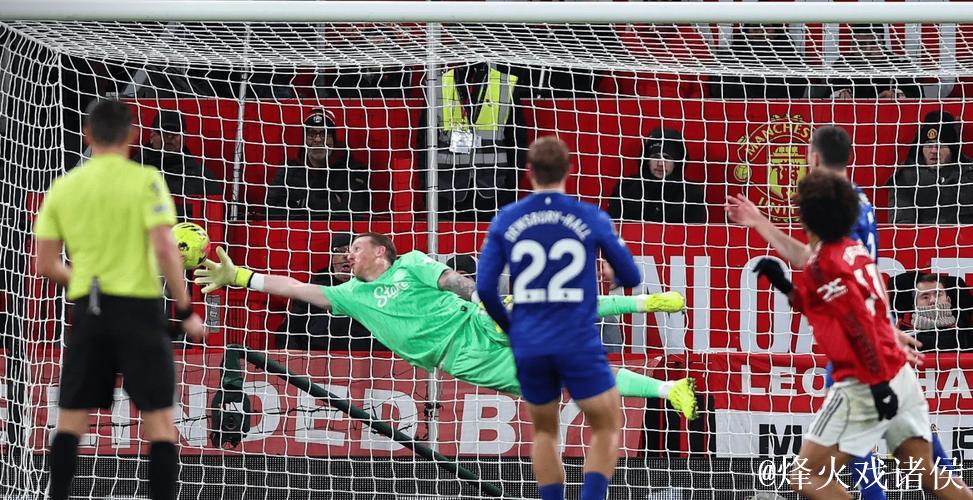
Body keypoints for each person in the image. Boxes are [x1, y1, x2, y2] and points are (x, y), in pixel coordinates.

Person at [194, 233, 698, 421]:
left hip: (478, 321)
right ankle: (668, 388)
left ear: (381, 252)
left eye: (356, 248)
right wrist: (240, 277)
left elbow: (454, 280)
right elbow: (298, 288)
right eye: (347, 251)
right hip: (462, 359)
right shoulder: (349, 296)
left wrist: (484, 301)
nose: (348, 255)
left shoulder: (409, 263)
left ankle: (645, 301)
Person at [726, 125, 948, 500]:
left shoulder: (830, 205)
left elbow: (824, 268)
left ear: (812, 158)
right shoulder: (855, 199)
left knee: (850, 447)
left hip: (860, 342)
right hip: (875, 331)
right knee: (920, 452)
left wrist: (761, 224)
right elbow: (842, 269)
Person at [33, 100, 206, 500]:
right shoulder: (146, 180)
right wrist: (185, 310)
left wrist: (87, 281)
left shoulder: (65, 186)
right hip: (140, 311)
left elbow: (45, 264)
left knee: (71, 421)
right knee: (159, 423)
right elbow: (165, 247)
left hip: (91, 310)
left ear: (87, 135)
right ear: (132, 135)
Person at [476, 137, 641, 500]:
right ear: (569, 170)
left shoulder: (507, 218)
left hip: (531, 343)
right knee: (607, 425)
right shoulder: (589, 216)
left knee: (545, 432)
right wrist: (615, 274)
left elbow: (485, 289)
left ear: (529, 172)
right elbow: (632, 275)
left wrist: (513, 329)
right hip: (576, 340)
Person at [275, 234, 384, 351]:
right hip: (317, 357)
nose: (346, 256)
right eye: (339, 251)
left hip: (363, 358)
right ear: (331, 257)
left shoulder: (374, 292)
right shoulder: (313, 289)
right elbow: (288, 332)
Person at [265, 108, 370, 218]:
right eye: (311, 134)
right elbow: (270, 210)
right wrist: (331, 203)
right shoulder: (289, 170)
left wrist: (302, 204)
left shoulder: (353, 170)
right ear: (304, 140)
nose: (318, 140)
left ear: (333, 140)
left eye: (324, 134)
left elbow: (356, 211)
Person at [886, 110, 973, 225]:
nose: (933, 151)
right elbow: (902, 224)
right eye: (928, 144)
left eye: (941, 145)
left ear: (953, 149)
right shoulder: (906, 179)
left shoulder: (969, 175)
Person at [607, 128, 707, 223]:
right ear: (647, 160)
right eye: (655, 156)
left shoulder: (692, 194)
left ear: (677, 162)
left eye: (666, 157)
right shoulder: (625, 189)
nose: (660, 164)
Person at [813, 24, 923, 100]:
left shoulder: (899, 66)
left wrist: (897, 95)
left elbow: (918, 95)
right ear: (853, 46)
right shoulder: (841, 66)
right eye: (862, 44)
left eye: (873, 43)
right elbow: (820, 95)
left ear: (883, 44)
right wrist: (838, 94)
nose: (868, 50)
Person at [132, 109, 222, 198]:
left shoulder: (202, 177)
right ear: (152, 135)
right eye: (164, 132)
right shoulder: (134, 169)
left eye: (175, 132)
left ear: (184, 138)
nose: (169, 136)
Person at [709, 24, 809, 100]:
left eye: (766, 27)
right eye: (755, 26)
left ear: (776, 31)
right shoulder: (727, 58)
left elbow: (795, 89)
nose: (760, 30)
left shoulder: (794, 59)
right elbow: (721, 89)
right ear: (746, 30)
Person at [888, 273, 973, 353]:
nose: (933, 301)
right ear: (915, 306)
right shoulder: (898, 331)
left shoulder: (965, 332)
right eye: (925, 297)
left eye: (938, 294)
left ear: (948, 300)